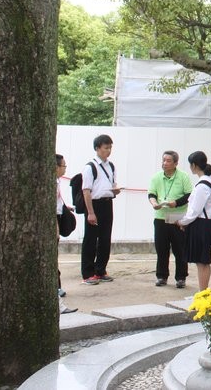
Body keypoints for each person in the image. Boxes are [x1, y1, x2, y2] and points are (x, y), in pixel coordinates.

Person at [147, 150, 193, 288]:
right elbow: (151, 194)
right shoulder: (156, 177)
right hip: (160, 217)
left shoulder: (183, 177)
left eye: (168, 161)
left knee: (180, 249)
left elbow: (189, 195)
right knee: (161, 249)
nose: (165, 163)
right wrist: (154, 203)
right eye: (163, 160)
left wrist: (176, 203)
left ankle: (181, 278)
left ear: (175, 163)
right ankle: (161, 276)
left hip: (177, 218)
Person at [81, 134, 122, 285]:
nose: (108, 150)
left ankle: (100, 270)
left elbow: (112, 185)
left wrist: (115, 190)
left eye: (110, 147)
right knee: (91, 239)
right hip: (94, 204)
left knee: (105, 238)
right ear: (97, 148)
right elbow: (86, 191)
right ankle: (87, 273)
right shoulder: (90, 167)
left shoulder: (111, 166)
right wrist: (90, 212)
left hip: (107, 203)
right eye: (106, 147)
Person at [178, 151, 211, 291]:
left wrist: (182, 221)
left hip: (201, 224)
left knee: (202, 261)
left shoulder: (202, 186)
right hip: (206, 223)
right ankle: (203, 291)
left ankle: (203, 292)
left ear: (194, 165)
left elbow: (195, 210)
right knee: (202, 261)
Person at [56, 154, 77, 314]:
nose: (65, 169)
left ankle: (57, 289)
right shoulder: (50, 182)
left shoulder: (57, 181)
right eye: (63, 166)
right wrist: (55, 227)